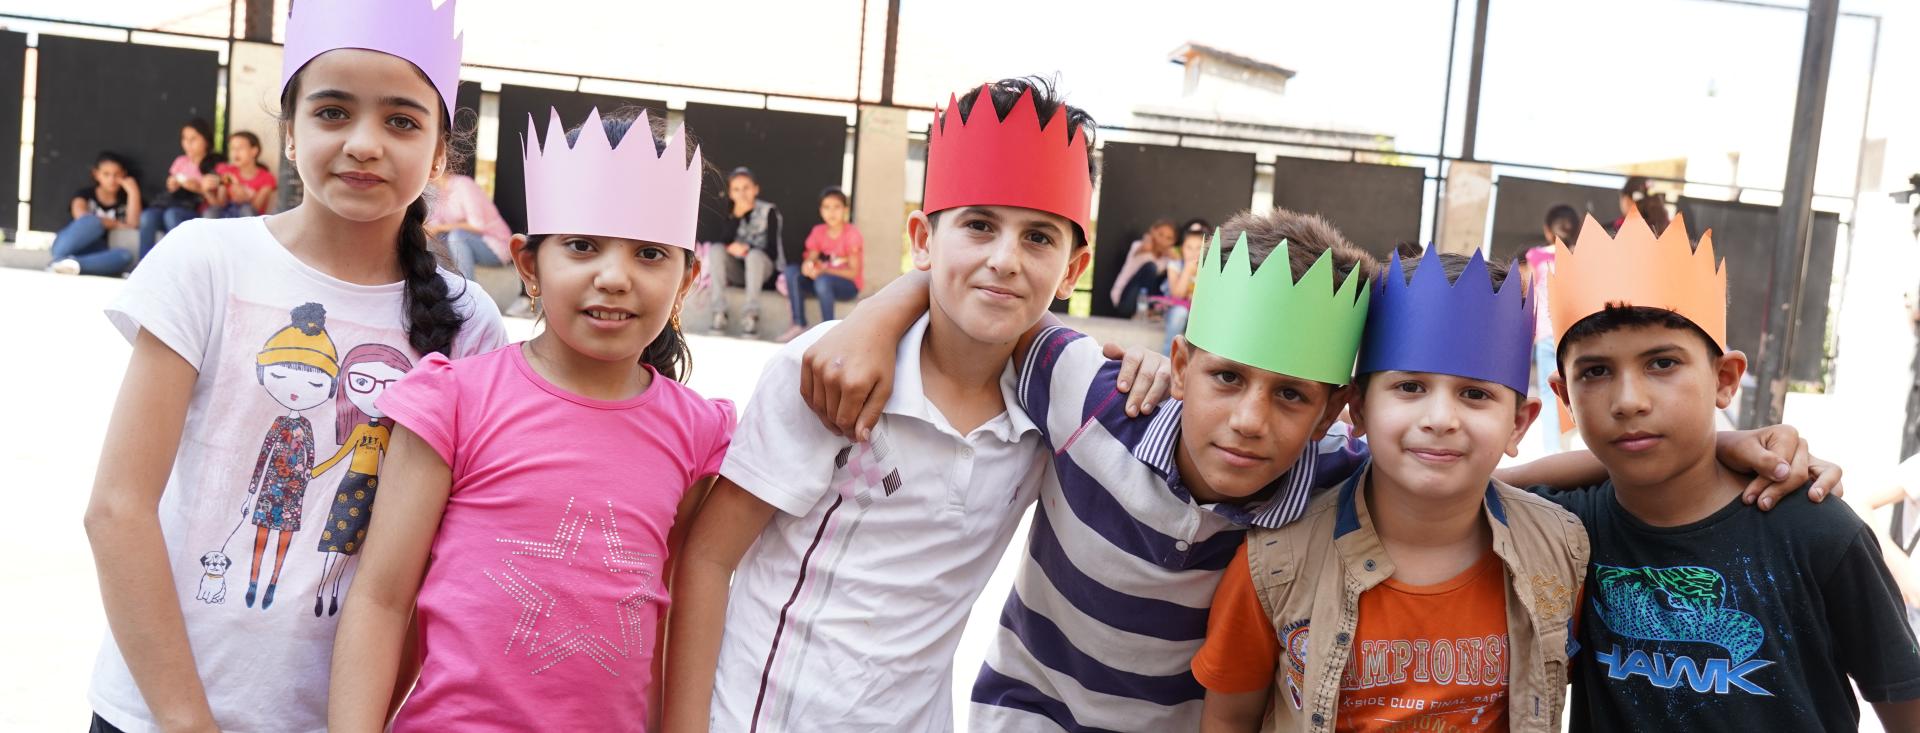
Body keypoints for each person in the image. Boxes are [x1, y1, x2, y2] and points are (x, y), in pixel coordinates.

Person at [799, 203, 1827, 731]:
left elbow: (1478, 481)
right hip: (1030, 712)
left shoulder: (1328, 473)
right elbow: (987, 315)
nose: (1252, 421)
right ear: (1186, 360)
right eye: (1228, 377)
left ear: (1334, 408)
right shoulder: (1090, 386)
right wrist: (876, 311)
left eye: (1292, 393)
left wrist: (1713, 447)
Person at [81, 2, 506, 731]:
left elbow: (443, 563)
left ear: (441, 153)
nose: (365, 143)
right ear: (290, 131)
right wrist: (187, 720)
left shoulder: (471, 327)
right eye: (334, 111)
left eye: (402, 121)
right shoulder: (206, 261)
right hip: (157, 709)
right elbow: (117, 509)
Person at [665, 76, 1136, 733]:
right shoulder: (829, 374)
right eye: (978, 225)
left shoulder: (1053, 408)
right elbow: (709, 557)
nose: (1004, 259)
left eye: (1038, 238)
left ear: (1073, 268)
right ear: (923, 235)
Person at [330, 107, 731, 732]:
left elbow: (679, 616)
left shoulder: (699, 434)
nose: (614, 277)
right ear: (528, 264)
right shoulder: (454, 400)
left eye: (651, 254)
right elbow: (383, 598)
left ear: (686, 281)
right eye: (581, 246)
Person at [1544, 208, 1919, 730]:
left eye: (1662, 363)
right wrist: (1721, 441)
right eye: (1596, 371)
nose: (1629, 400)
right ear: (1563, 394)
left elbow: (1905, 708)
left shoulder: (1815, 529)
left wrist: (1713, 443)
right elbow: (1458, 491)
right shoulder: (1559, 530)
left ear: (1725, 378)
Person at [1193, 250, 1586, 731]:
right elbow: (1230, 719)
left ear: (1519, 425)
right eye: (1410, 388)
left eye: (1476, 394)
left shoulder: (1562, 551)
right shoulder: (1275, 564)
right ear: (1357, 410)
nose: (1440, 420)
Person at [775, 186, 864, 343]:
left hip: (847, 286)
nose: (832, 212)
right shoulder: (818, 231)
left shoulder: (852, 234)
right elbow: (811, 257)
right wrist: (808, 266)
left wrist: (825, 270)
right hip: (820, 282)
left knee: (823, 281)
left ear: (845, 209)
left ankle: (827, 331)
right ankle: (799, 324)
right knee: (792, 272)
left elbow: (853, 273)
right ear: (821, 210)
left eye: (837, 207)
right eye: (827, 207)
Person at [703, 166, 783, 335]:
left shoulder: (769, 211)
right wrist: (737, 217)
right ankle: (719, 312)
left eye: (746, 188)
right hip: (739, 273)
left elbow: (773, 252)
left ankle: (751, 317)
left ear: (755, 189)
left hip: (763, 272)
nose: (742, 193)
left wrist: (748, 248)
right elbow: (723, 242)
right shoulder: (732, 212)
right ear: (731, 193)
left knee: (754, 255)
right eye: (736, 189)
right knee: (716, 249)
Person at [138, 117, 223, 258]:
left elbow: (218, 202)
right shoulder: (180, 161)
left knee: (172, 215)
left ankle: (178, 262)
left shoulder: (217, 164)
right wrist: (174, 184)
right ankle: (143, 265)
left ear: (206, 140)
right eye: (184, 139)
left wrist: (199, 189)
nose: (188, 144)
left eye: (193, 139)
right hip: (174, 205)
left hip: (198, 212)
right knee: (148, 216)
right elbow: (171, 191)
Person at [49, 152, 141, 277]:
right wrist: (114, 224)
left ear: (124, 175)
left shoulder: (125, 201)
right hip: (70, 244)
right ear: (96, 174)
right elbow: (83, 218)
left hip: (97, 252)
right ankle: (60, 260)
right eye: (106, 174)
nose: (112, 179)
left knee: (125, 256)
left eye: (117, 174)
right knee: (93, 222)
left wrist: (133, 192)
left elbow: (132, 226)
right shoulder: (84, 195)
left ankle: (70, 265)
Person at [423, 168, 512, 278]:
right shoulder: (440, 193)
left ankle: (466, 289)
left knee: (456, 235)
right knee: (434, 239)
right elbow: (434, 225)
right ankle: (439, 283)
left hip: (494, 245)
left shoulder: (463, 185)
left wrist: (440, 228)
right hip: (467, 243)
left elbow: (477, 225)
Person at [1110, 217, 1178, 317]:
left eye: (1169, 238)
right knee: (1150, 267)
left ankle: (1152, 311)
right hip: (1125, 302)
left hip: (1144, 304)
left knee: (1167, 276)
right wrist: (1148, 237)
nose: (1163, 240)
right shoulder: (1139, 246)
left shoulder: (1167, 260)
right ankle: (1144, 311)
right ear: (1153, 231)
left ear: (1173, 242)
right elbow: (1147, 247)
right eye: (1160, 234)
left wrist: (1173, 256)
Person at [1159, 217, 1208, 353]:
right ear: (1182, 249)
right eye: (1189, 248)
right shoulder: (1175, 265)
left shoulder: (1209, 269)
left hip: (1197, 311)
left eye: (1199, 248)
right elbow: (1177, 295)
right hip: (1176, 310)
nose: (1194, 252)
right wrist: (1187, 270)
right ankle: (1167, 356)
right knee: (1179, 313)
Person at [206, 131, 278, 218]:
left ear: (254, 151)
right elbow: (221, 203)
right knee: (212, 211)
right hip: (227, 217)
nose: (235, 152)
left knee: (246, 209)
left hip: (249, 221)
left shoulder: (266, 178)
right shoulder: (228, 172)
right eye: (232, 148)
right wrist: (207, 191)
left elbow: (255, 210)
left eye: (240, 148)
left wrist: (240, 190)